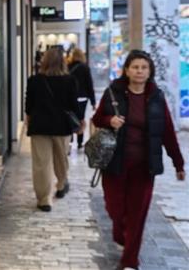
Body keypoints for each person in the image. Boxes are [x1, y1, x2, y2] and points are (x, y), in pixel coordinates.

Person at [93, 50, 185, 270]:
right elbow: (97, 119)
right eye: (135, 67)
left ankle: (130, 260)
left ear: (150, 71)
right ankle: (121, 233)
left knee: (137, 213)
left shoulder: (157, 97)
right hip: (115, 163)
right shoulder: (113, 92)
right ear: (126, 70)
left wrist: (178, 163)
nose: (139, 71)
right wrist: (110, 120)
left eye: (144, 67)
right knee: (115, 208)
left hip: (144, 166)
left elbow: (167, 132)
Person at [25, 47, 80, 212]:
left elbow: (29, 105)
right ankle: (62, 184)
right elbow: (74, 106)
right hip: (62, 126)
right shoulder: (70, 80)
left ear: (45, 61)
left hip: (39, 126)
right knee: (61, 158)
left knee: (42, 163)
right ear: (63, 62)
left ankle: (44, 199)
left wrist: (29, 120)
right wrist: (80, 121)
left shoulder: (34, 80)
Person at [68, 48, 96, 149]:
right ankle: (80, 142)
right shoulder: (85, 68)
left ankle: (70, 140)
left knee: (71, 117)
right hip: (82, 97)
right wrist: (93, 102)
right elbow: (89, 84)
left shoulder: (68, 67)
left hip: (70, 96)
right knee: (81, 118)